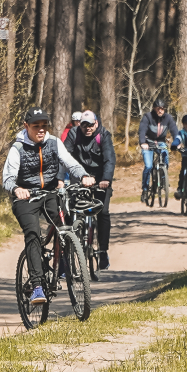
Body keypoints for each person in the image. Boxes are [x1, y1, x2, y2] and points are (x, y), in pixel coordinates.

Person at [2, 108, 94, 305]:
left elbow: (70, 163)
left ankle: (63, 266)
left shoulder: (53, 143)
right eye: (36, 126)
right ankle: (37, 286)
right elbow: (8, 178)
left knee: (65, 225)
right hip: (26, 197)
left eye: (44, 126)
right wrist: (17, 189)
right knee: (33, 234)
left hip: (50, 193)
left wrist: (84, 175)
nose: (41, 130)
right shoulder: (17, 148)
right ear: (26, 127)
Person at [65, 110, 116, 270]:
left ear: (96, 123)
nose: (87, 128)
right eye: (84, 125)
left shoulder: (104, 135)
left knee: (103, 212)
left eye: (91, 125)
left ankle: (102, 251)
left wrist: (106, 179)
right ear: (80, 124)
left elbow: (109, 159)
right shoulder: (74, 134)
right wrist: (60, 179)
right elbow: (63, 157)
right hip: (79, 177)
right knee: (70, 210)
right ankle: (68, 251)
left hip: (101, 179)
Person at [137, 98, 178, 194]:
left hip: (161, 142)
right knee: (148, 166)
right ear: (154, 108)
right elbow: (142, 130)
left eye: (162, 109)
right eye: (158, 108)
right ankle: (145, 188)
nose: (160, 111)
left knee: (165, 158)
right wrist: (143, 142)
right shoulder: (147, 117)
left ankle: (163, 179)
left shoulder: (168, 118)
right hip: (148, 142)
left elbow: (174, 130)